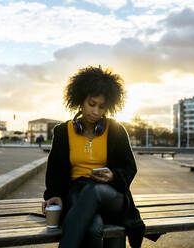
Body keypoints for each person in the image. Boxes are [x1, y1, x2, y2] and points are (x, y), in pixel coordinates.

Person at [42, 66, 145, 248]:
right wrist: (54, 195)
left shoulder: (116, 130)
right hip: (76, 193)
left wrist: (113, 176)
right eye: (92, 104)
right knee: (94, 227)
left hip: (111, 194)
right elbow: (55, 170)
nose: (96, 111)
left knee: (94, 190)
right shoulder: (63, 132)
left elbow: (129, 168)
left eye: (102, 107)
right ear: (80, 100)